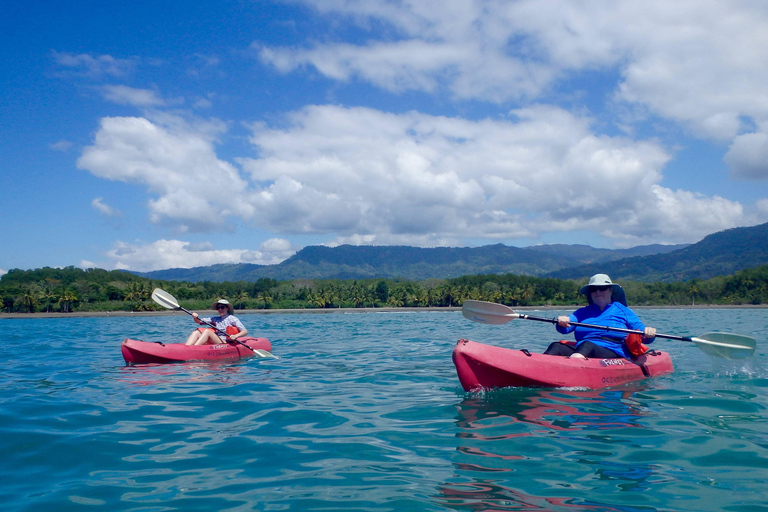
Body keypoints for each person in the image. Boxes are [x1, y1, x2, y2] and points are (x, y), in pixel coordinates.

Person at [544, 274, 656, 359]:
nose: (598, 292)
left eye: (602, 288)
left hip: (612, 351)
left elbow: (640, 330)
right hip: (582, 349)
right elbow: (566, 328)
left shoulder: (622, 310)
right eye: (593, 289)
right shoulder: (582, 312)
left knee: (587, 345)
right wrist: (562, 322)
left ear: (610, 290)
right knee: (556, 346)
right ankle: (540, 368)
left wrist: (648, 333)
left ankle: (572, 371)